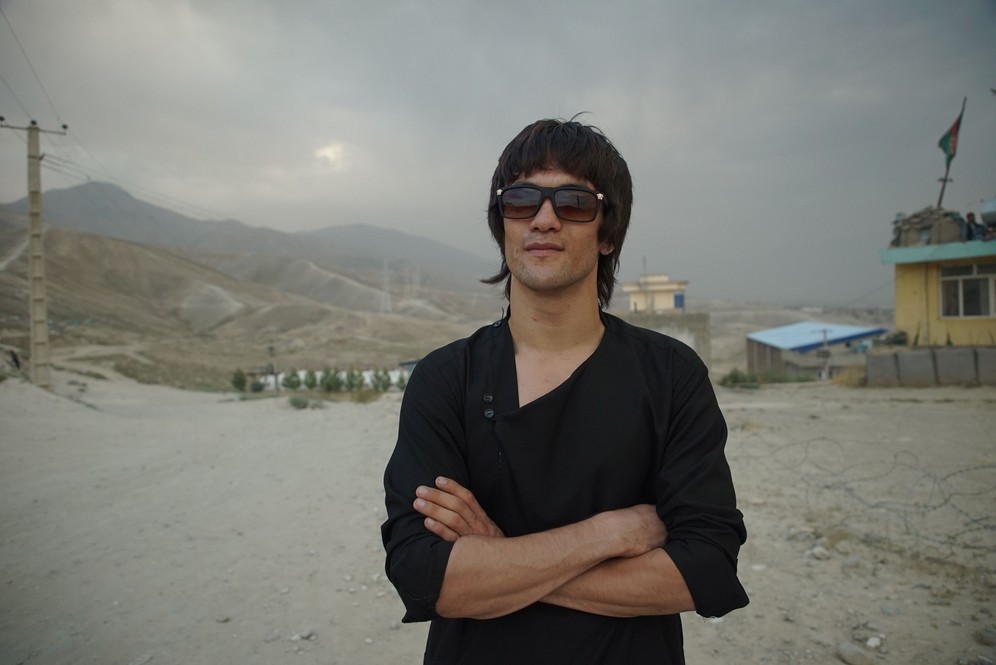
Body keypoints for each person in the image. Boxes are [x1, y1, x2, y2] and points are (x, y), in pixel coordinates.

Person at [381, 117, 748, 664]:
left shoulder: (670, 375)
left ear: (607, 234)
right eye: (520, 200)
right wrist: (607, 534)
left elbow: (705, 569)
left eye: (574, 202)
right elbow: (425, 577)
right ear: (502, 225)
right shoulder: (446, 379)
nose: (544, 219)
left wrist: (500, 558)